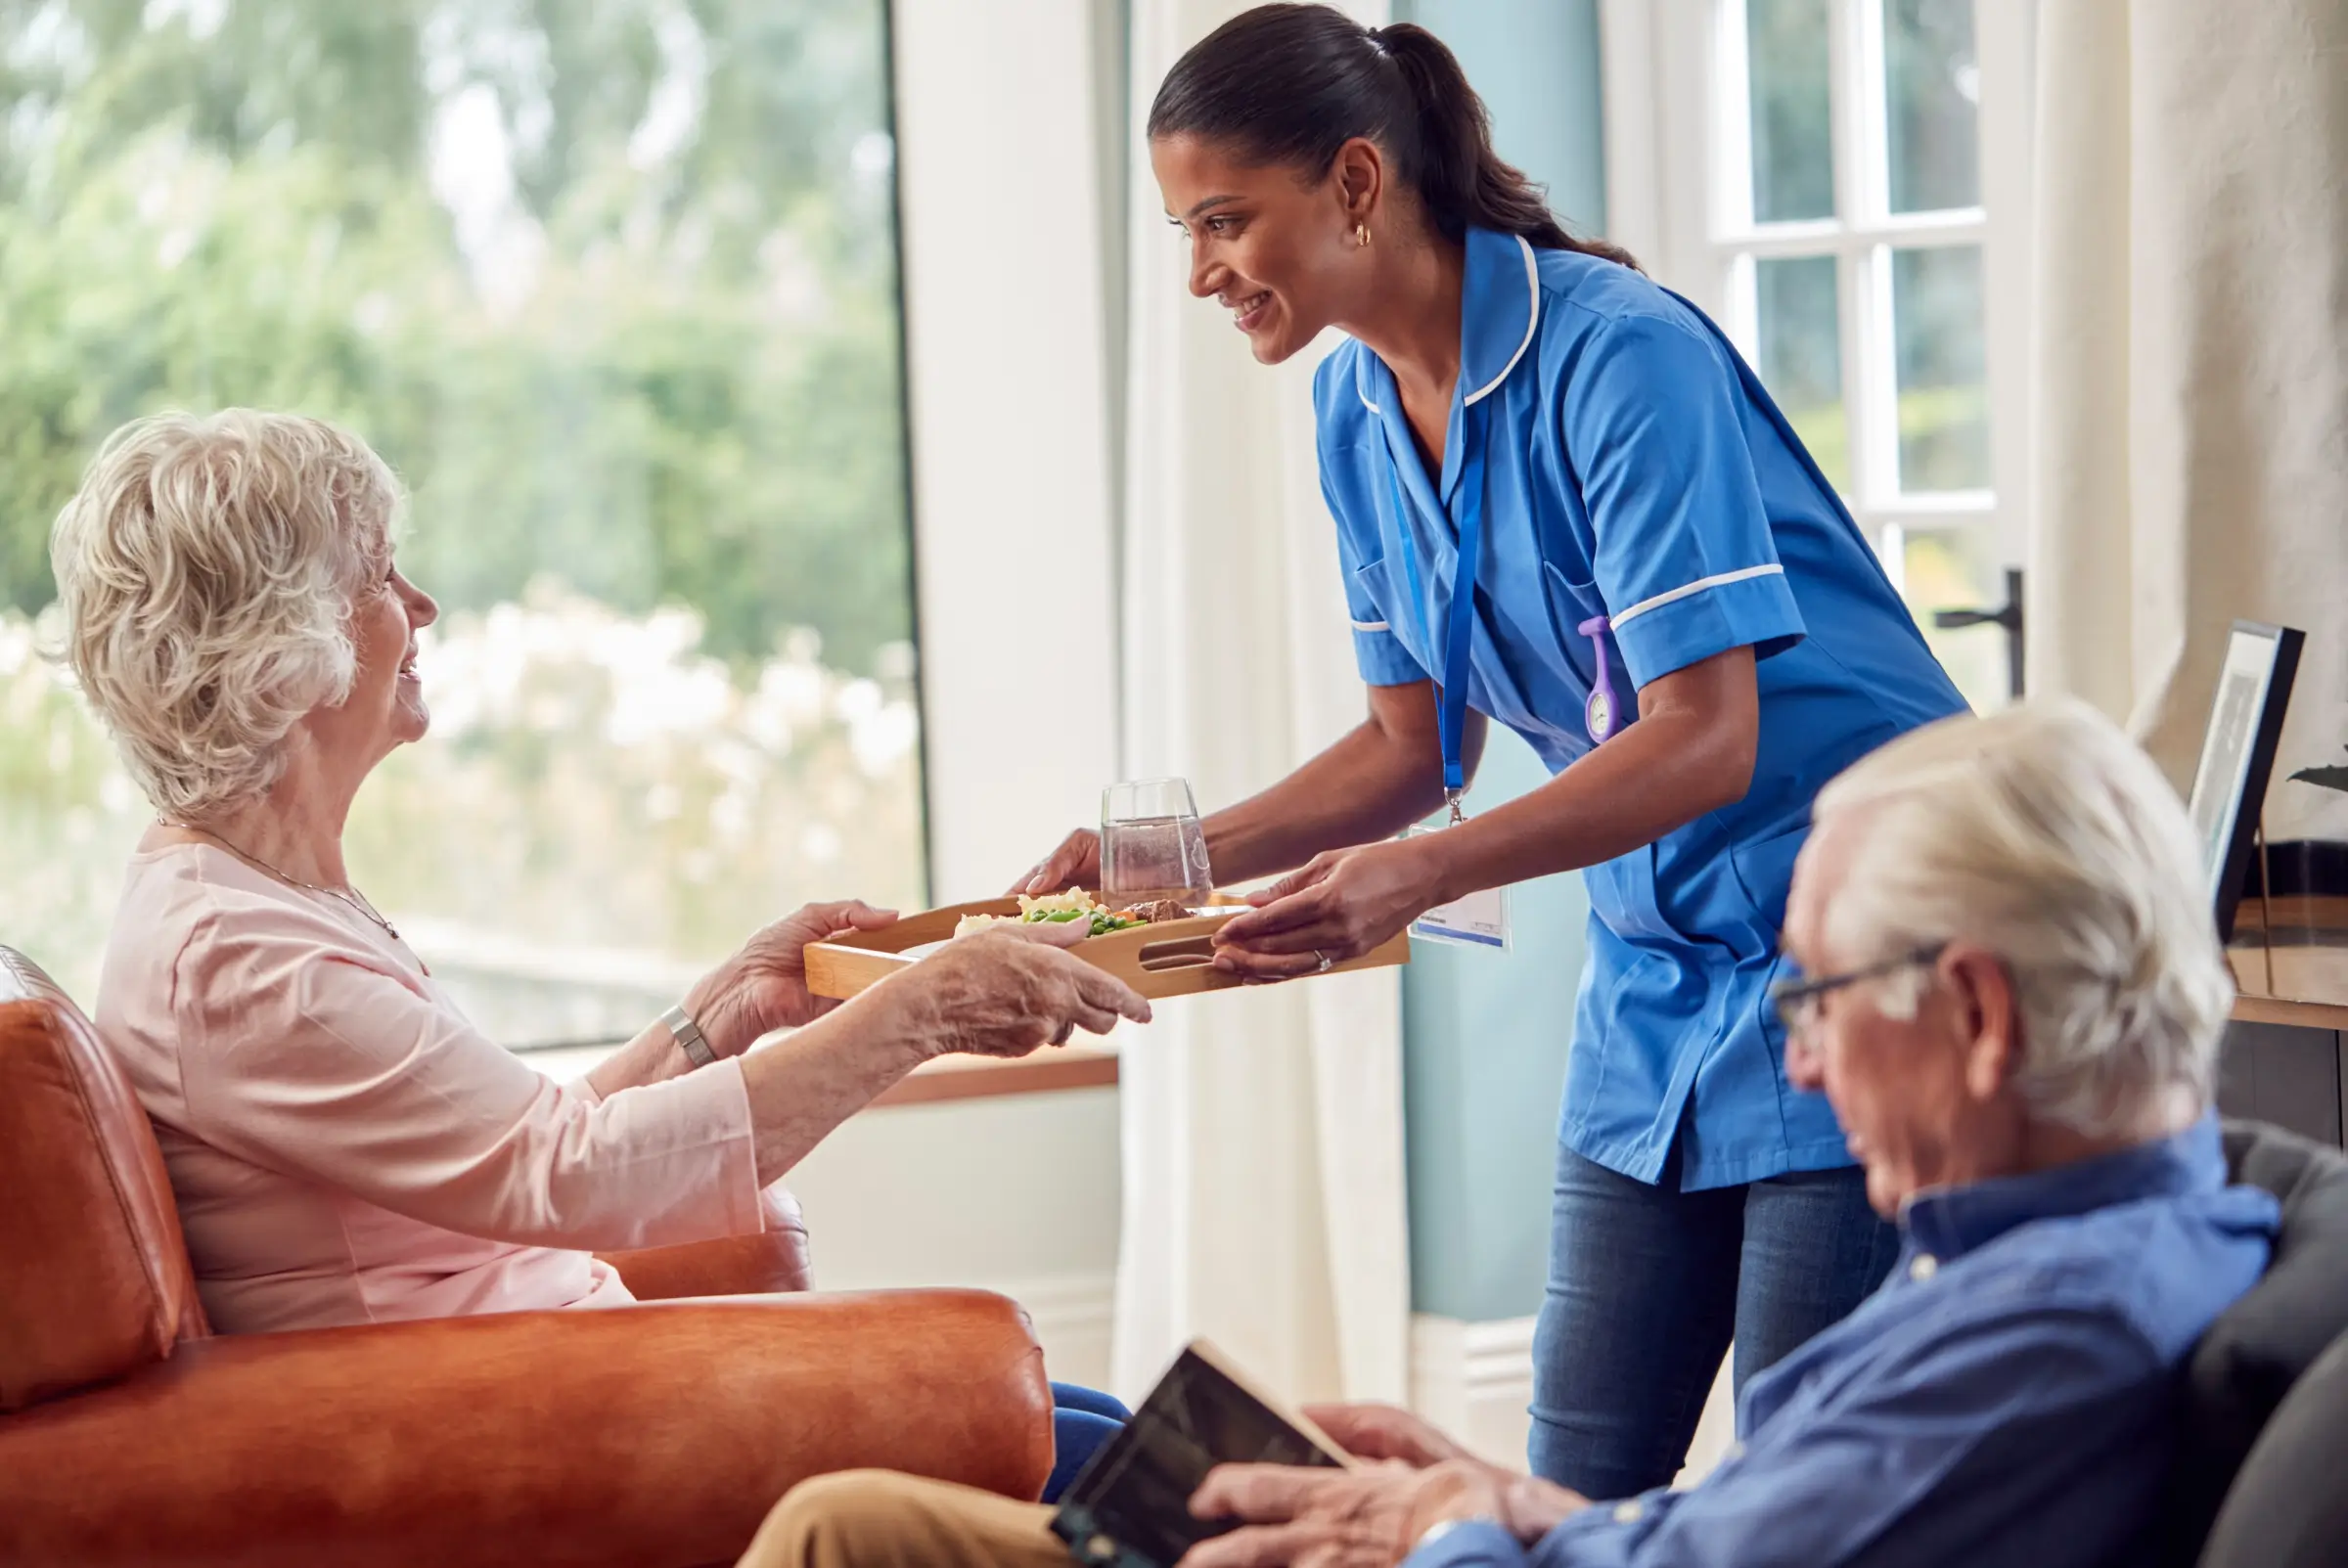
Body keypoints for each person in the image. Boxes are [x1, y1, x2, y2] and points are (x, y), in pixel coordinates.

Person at [1019, 4, 1969, 1495]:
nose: (1200, 270)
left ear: (1351, 183)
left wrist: (1418, 874)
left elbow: (1708, 738)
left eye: (1223, 220)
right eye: (1184, 229)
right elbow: (1415, 742)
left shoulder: (1623, 356)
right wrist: (1179, 862)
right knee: (1569, 1479)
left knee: (1792, 1487)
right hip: (1654, 975)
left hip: (1856, 940)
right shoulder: (1353, 404)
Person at [735, 698, 2280, 1568]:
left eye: (1813, 999)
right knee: (1021, 1466)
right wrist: (1518, 1498)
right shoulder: (2080, 1253)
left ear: (1981, 1014)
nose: (1797, 1069)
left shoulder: (2041, 1335)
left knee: (845, 1533)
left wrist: (1439, 1528)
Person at [52, 408, 1147, 1498]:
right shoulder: (245, 966)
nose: (422, 606)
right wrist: (926, 1009)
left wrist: (719, 1012)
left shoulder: (254, 904)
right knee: (1093, 1465)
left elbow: (514, 1149)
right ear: (283, 645)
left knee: (1096, 1428)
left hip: (543, 1377)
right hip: (501, 1430)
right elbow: (566, 1173)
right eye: (381, 575)